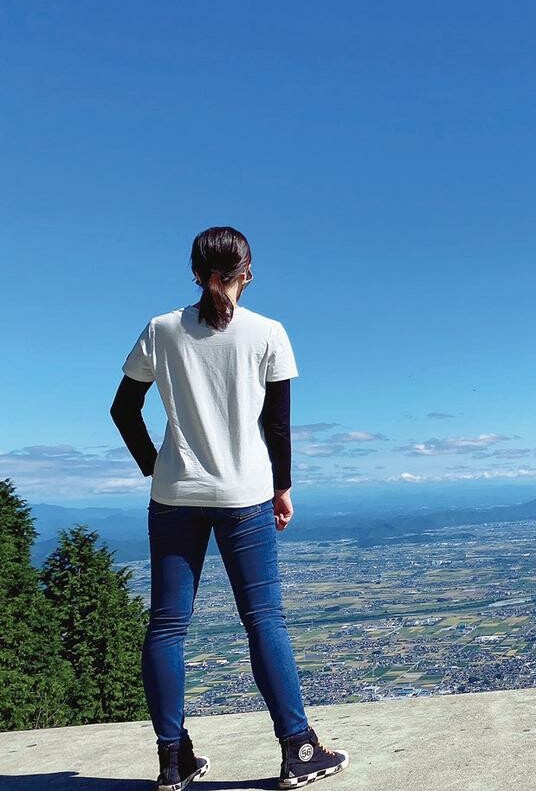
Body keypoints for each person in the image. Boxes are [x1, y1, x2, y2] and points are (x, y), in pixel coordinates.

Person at [110, 226, 349, 791]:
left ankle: (173, 760)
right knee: (263, 619)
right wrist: (282, 488)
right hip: (246, 495)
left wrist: (156, 465)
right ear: (248, 273)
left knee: (167, 625)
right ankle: (298, 749)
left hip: (174, 495)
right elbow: (278, 426)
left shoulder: (160, 329)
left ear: (195, 273)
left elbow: (123, 410)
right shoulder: (268, 333)